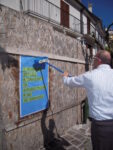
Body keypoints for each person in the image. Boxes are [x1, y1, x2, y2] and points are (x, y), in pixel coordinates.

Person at [63, 50, 113, 150]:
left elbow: (69, 82)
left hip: (100, 127)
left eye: (94, 59)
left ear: (98, 61)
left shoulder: (90, 76)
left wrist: (65, 76)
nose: (93, 62)